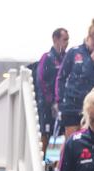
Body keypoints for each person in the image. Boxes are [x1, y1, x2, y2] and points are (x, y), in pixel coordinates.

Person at [55, 17, 94, 140]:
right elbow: (61, 77)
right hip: (72, 104)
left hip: (93, 107)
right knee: (71, 142)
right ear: (89, 36)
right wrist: (60, 101)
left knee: (87, 142)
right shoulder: (74, 52)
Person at [37, 27, 69, 156]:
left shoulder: (66, 58)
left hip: (61, 105)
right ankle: (43, 164)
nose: (67, 42)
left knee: (58, 135)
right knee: (46, 134)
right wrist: (51, 101)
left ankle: (50, 164)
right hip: (46, 107)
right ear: (55, 39)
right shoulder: (47, 58)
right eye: (64, 39)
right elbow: (42, 81)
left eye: (68, 40)